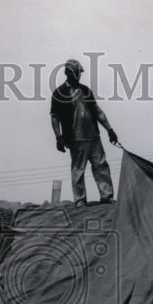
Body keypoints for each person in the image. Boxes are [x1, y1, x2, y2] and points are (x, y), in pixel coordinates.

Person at [50, 58, 118, 207]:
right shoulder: (59, 93)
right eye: (76, 72)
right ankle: (80, 200)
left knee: (101, 166)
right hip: (76, 139)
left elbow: (97, 111)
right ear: (68, 73)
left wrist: (110, 130)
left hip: (93, 137)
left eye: (79, 73)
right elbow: (55, 117)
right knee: (78, 170)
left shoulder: (86, 90)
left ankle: (107, 197)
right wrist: (59, 137)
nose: (78, 75)